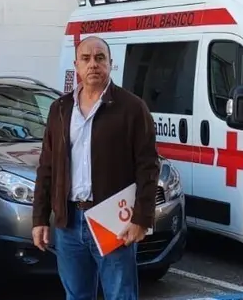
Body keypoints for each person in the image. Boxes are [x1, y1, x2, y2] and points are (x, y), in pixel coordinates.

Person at [31, 35, 160, 300]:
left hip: (113, 221)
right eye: (86, 58)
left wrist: (141, 219)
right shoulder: (60, 109)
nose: (93, 64)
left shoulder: (132, 108)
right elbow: (47, 167)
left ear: (111, 63)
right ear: (76, 65)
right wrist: (40, 219)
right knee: (76, 296)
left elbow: (148, 167)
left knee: (120, 295)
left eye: (100, 58)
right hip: (69, 222)